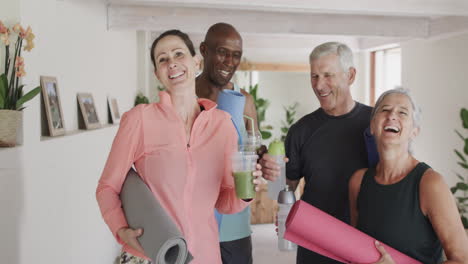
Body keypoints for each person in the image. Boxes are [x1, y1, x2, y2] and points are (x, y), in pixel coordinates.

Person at [96, 29, 263, 264]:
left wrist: (245, 192)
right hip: (159, 254)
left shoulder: (221, 124)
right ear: (157, 73)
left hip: (207, 256)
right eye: (163, 59)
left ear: (196, 62)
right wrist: (120, 229)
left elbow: (225, 202)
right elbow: (107, 187)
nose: (172, 63)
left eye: (178, 54)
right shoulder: (139, 120)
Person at [349, 88, 468, 264]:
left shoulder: (430, 183)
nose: (391, 116)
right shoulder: (358, 181)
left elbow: (462, 259)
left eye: (402, 112)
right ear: (373, 126)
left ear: (414, 131)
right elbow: (354, 248)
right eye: (385, 110)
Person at [196, 22, 281, 264]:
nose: (229, 62)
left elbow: (253, 147)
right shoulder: (184, 97)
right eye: (222, 52)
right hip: (192, 218)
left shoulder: (245, 100)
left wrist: (265, 159)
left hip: (234, 224)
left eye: (236, 55)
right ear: (204, 50)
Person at [283, 42, 373, 264]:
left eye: (328, 75)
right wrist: (270, 170)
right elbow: (287, 188)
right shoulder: (300, 131)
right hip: (314, 242)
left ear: (350, 75)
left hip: (365, 241)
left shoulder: (375, 124)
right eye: (314, 76)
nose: (319, 85)